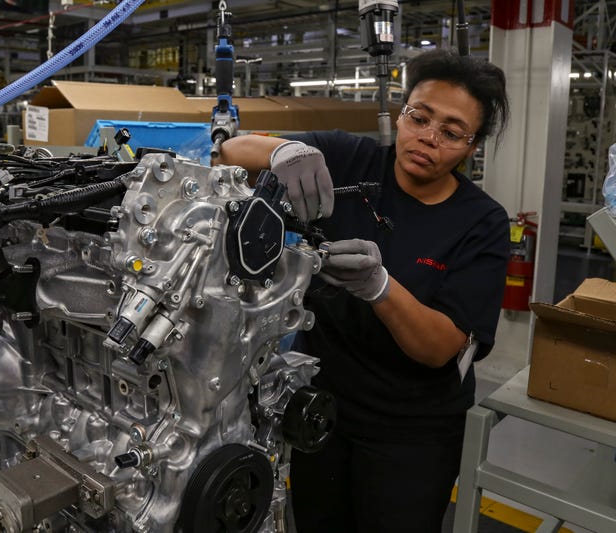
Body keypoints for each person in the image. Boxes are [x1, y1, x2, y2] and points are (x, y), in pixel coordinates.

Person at [215, 48, 510, 532]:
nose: (428, 139)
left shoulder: (482, 222)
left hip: (411, 432)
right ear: (402, 113)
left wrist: (380, 288)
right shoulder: (347, 158)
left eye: (452, 133)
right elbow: (229, 153)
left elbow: (442, 348)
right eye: (420, 117)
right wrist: (281, 152)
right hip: (321, 409)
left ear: (470, 148)